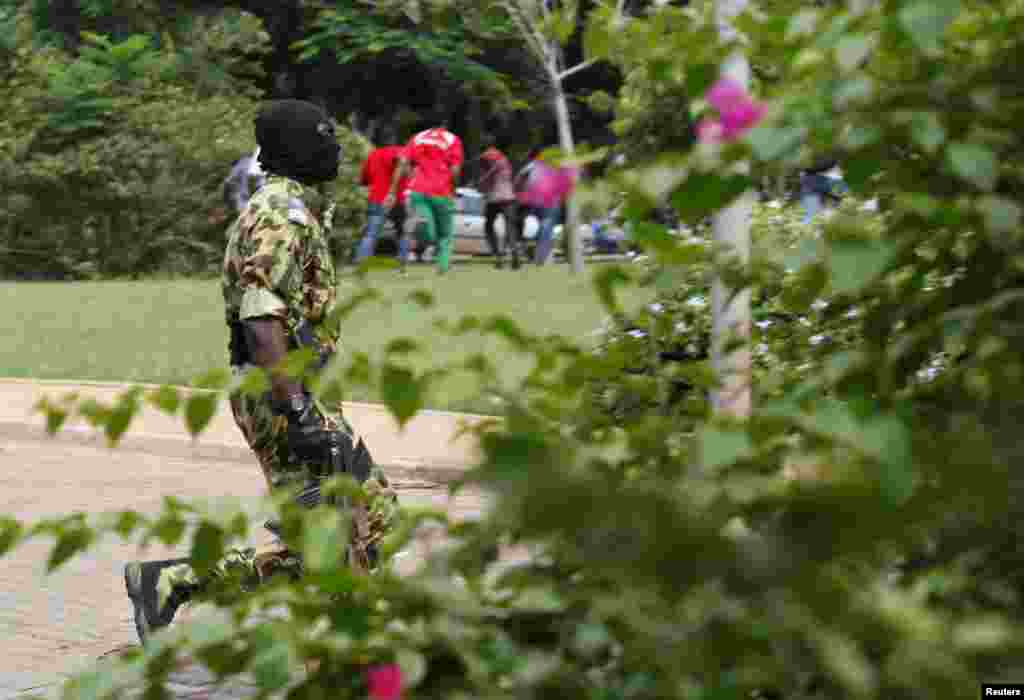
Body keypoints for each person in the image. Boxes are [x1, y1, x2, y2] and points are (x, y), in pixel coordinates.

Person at [124, 100, 399, 646]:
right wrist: (297, 411)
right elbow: (261, 314)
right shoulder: (279, 214)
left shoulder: (287, 206)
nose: (335, 148)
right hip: (284, 397)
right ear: (295, 147)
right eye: (323, 137)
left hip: (294, 391)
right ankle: (342, 648)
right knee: (347, 529)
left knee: (367, 519)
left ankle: (176, 581)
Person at [386, 121, 463, 275]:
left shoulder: (418, 138)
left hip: (417, 190)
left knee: (424, 228)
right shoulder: (452, 139)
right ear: (445, 125)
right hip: (441, 191)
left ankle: (422, 230)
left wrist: (392, 192)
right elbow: (455, 170)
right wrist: (453, 189)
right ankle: (442, 266)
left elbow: (402, 163)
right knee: (445, 233)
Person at [354, 127, 412, 269]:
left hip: (376, 198)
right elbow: (401, 164)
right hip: (396, 199)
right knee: (402, 232)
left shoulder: (372, 155)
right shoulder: (399, 151)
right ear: (394, 139)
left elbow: (363, 180)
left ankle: (362, 262)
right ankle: (402, 262)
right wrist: (392, 191)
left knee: (371, 233)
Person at [515, 148, 576, 265]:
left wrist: (520, 193)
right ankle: (541, 255)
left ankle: (528, 248)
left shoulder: (532, 165)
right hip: (551, 202)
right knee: (546, 226)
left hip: (536, 201)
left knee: (529, 223)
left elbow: (518, 180)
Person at [477, 142, 521, 269]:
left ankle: (498, 256)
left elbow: (486, 177)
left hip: (494, 198)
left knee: (488, 226)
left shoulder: (485, 156)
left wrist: (481, 184)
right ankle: (514, 251)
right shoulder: (505, 159)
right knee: (510, 227)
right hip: (509, 198)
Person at [222, 147, 266, 215]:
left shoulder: (239, 166)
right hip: (252, 184)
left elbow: (229, 180)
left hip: (244, 193)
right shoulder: (245, 163)